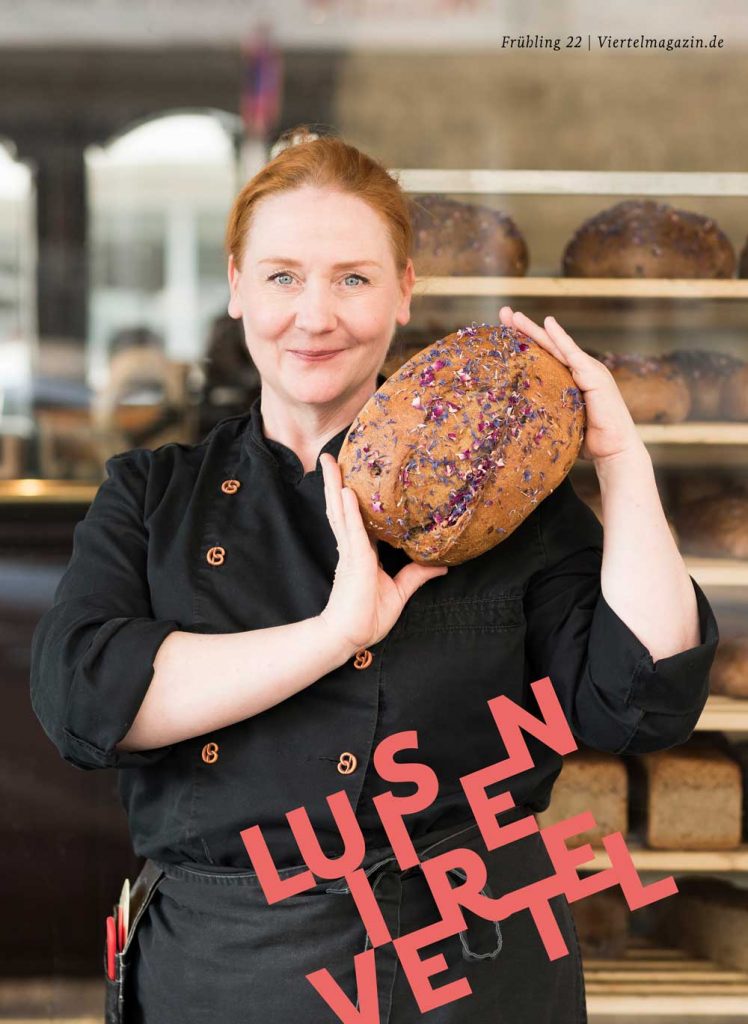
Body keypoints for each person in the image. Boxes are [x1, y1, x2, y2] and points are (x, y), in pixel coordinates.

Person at [29, 126, 719, 1024]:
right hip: (231, 972)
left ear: (404, 292)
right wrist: (334, 635)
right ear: (236, 287)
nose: (314, 316)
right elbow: (84, 702)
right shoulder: (157, 495)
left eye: (353, 279)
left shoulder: (502, 500)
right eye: (282, 276)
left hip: (473, 967)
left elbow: (643, 701)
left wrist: (621, 458)